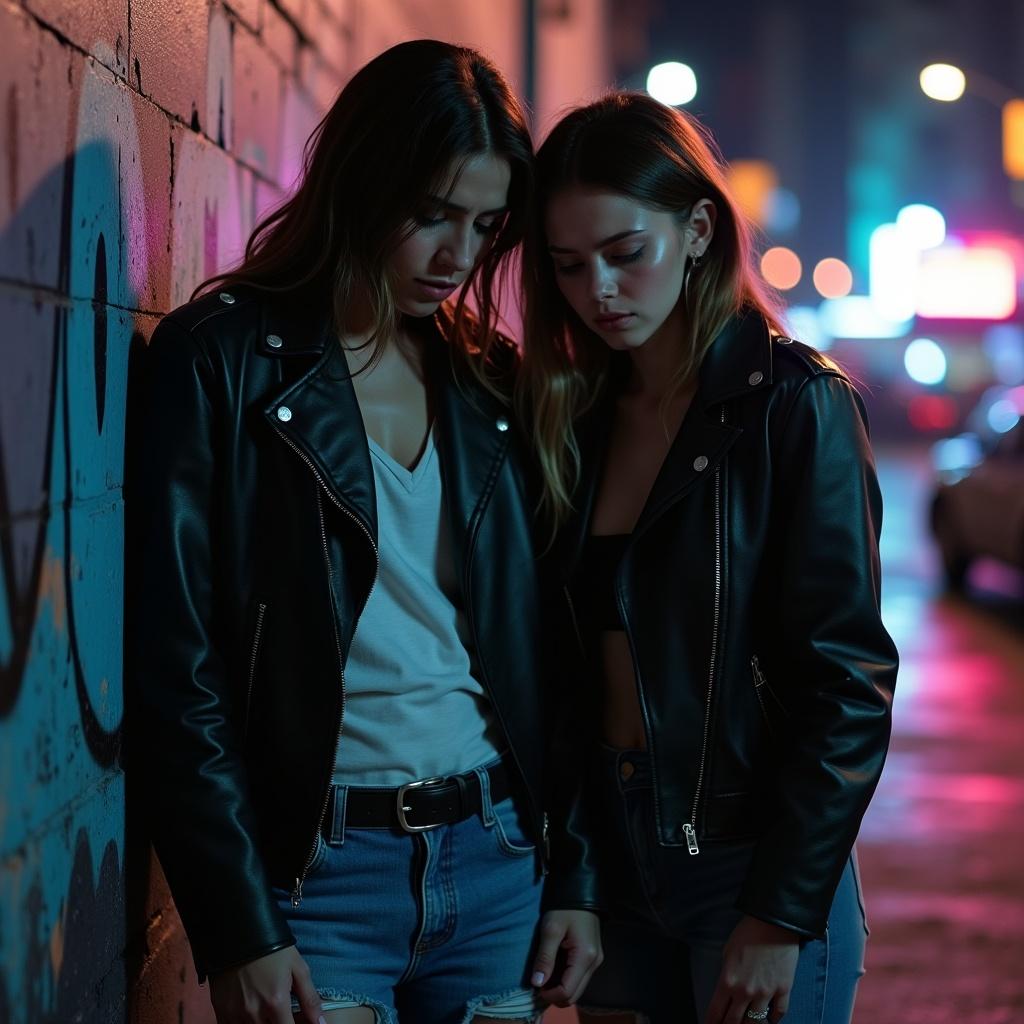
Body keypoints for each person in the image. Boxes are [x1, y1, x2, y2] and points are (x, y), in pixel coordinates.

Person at [126, 40, 602, 1024]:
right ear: (360, 182)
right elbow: (177, 664)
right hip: (317, 875)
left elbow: (564, 658)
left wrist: (578, 880)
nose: (455, 257)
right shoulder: (224, 364)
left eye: (482, 225)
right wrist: (239, 923)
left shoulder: (492, 386)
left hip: (497, 860)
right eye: (430, 215)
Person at [517, 92, 898, 1024]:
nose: (598, 289)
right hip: (610, 856)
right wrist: (575, 868)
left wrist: (781, 911)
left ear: (697, 230)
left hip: (746, 857)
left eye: (624, 254)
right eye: (569, 266)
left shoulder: (793, 404)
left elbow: (846, 681)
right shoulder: (573, 416)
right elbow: (559, 680)